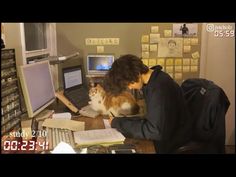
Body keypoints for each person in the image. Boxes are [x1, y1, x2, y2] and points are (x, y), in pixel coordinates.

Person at [103, 54, 193, 153]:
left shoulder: (158, 89)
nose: (130, 87)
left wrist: (117, 123)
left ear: (137, 74)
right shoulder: (155, 79)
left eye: (129, 83)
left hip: (171, 142)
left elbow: (154, 131)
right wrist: (119, 121)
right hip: (167, 133)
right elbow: (152, 119)